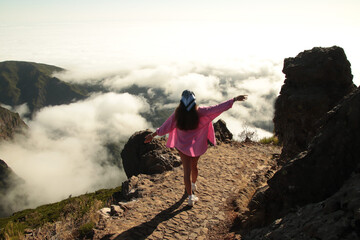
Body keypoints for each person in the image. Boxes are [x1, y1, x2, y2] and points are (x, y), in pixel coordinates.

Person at [144, 90, 247, 206]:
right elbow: (218, 108)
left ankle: (190, 197)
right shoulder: (201, 112)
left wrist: (152, 135)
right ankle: (193, 184)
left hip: (182, 147)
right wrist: (233, 99)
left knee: (186, 171)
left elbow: (165, 127)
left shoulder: (178, 114)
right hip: (197, 146)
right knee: (194, 166)